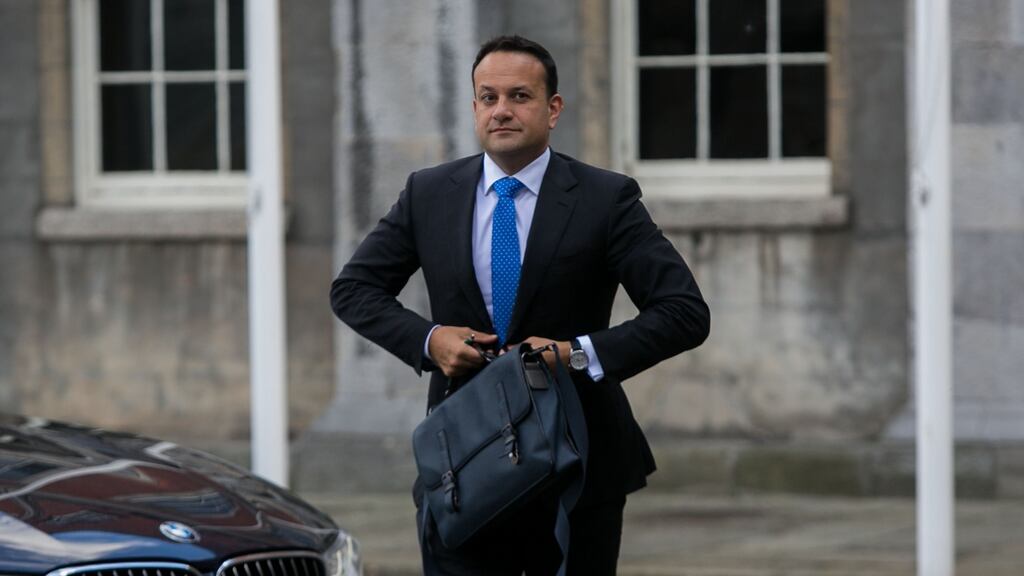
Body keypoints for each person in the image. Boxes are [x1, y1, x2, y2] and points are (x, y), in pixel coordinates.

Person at [331, 34, 710, 575]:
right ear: (474, 106)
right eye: (488, 98)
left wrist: (576, 354)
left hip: (577, 462)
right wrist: (429, 340)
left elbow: (684, 312)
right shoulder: (429, 193)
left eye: (519, 96)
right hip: (463, 461)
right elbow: (354, 290)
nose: (502, 111)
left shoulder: (606, 199)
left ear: (553, 109)